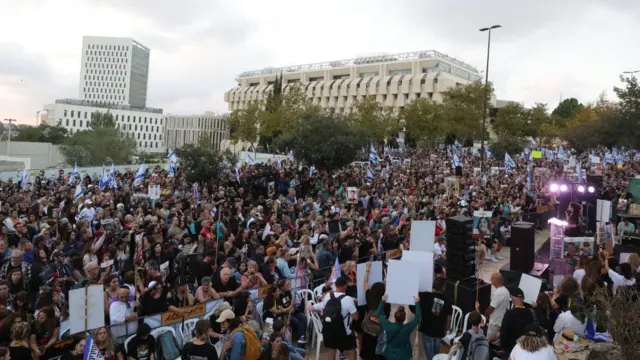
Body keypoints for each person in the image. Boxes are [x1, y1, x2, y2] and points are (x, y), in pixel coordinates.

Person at [309, 276, 358, 360]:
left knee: (331, 351)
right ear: (345, 286)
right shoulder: (349, 299)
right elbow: (356, 317)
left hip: (329, 331)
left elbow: (320, 306)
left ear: (335, 285)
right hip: (344, 333)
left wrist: (310, 306)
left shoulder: (328, 295)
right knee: (352, 351)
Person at [414, 278, 452, 360]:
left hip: (426, 330)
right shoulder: (447, 301)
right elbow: (448, 318)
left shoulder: (424, 296)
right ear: (443, 287)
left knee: (429, 354)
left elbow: (414, 297)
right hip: (439, 331)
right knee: (437, 353)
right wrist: (446, 329)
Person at [377, 294, 420, 360]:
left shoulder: (388, 326)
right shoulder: (407, 328)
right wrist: (417, 302)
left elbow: (378, 314)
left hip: (390, 355)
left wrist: (383, 301)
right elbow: (417, 318)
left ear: (394, 317)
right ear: (404, 318)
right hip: (404, 355)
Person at [499, 288, 536, 355]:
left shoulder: (509, 314)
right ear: (523, 299)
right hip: (525, 346)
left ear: (512, 300)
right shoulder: (530, 313)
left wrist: (503, 347)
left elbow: (503, 333)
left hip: (511, 348)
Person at [482, 273, 510, 343]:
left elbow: (491, 308)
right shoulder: (505, 290)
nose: (490, 279)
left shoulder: (499, 293)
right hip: (500, 320)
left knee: (490, 342)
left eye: (492, 278)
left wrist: (486, 313)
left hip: (495, 322)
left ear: (496, 280)